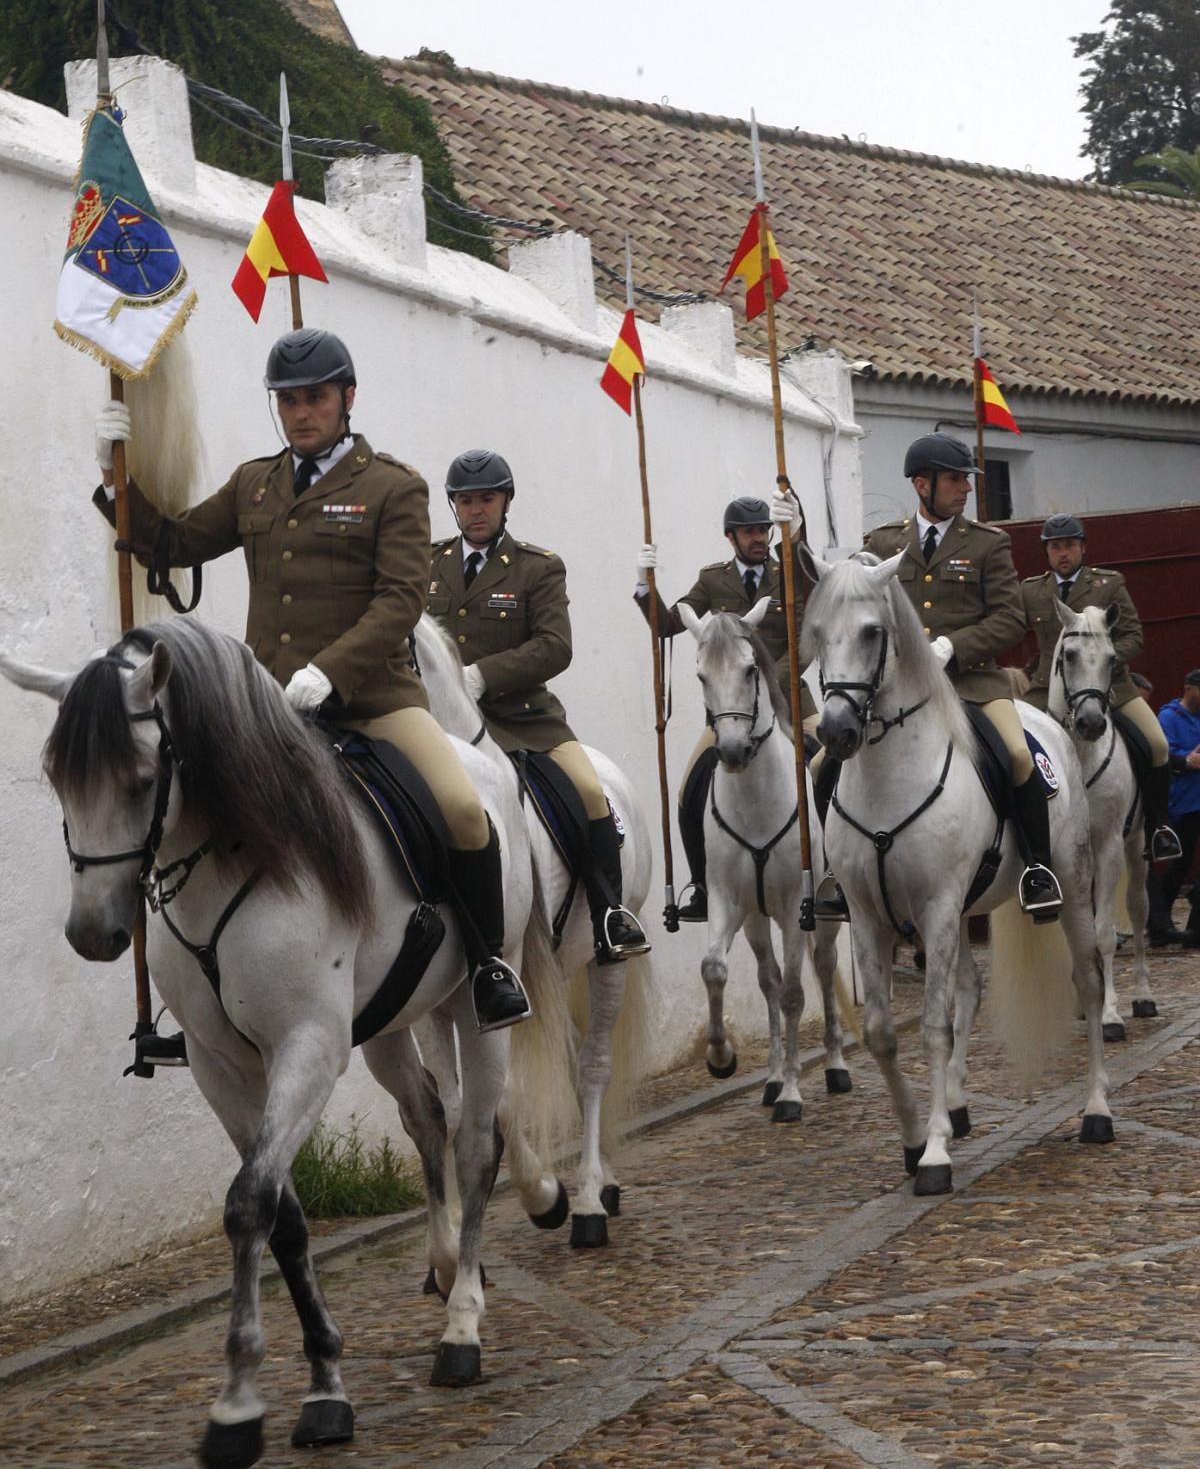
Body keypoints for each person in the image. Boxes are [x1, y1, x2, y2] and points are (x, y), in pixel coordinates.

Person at [93, 328, 531, 1032]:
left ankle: (487, 965)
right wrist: (116, 483)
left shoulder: (394, 486)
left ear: (346, 399)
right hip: (269, 708)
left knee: (461, 807)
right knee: (178, 808)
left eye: (316, 398)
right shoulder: (253, 484)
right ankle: (204, 993)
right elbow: (173, 544)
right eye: (288, 400)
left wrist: (331, 672)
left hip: (377, 701)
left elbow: (400, 602)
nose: (301, 413)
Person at [428, 449, 648, 963]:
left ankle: (609, 916)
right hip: (444, 722)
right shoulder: (426, 563)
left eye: (486, 499)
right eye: (465, 501)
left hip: (525, 722)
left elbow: (555, 645)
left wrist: (484, 675)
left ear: (506, 502)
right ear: (453, 506)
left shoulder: (537, 567)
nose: (475, 510)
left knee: (592, 794)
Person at [863, 433, 1061, 916]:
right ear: (920, 484)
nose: (965, 489)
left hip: (973, 685)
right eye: (955, 479)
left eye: (966, 480)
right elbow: (852, 599)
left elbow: (1011, 618)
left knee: (1019, 757)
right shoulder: (884, 542)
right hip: (902, 691)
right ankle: (836, 874)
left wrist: (954, 647)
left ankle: (1038, 868)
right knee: (831, 760)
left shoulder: (989, 544)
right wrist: (797, 532)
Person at [634, 491, 816, 922]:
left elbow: (805, 642)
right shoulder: (712, 580)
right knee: (690, 790)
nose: (759, 538)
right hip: (732, 713)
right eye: (750, 532)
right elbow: (668, 625)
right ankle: (701, 883)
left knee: (829, 769)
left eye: (764, 531)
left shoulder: (788, 574)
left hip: (790, 703)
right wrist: (645, 586)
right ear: (731, 537)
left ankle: (833, 877)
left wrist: (798, 536)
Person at [1021, 512, 1182, 866]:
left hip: (1111, 685)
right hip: (1049, 686)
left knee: (1156, 743)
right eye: (1055, 547)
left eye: (1069, 546)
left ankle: (1158, 827)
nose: (1063, 553)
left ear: (1082, 548)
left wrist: (1105, 659)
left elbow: (1134, 636)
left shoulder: (1108, 585)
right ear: (1047, 552)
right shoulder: (1031, 591)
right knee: (1015, 752)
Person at [1148, 670, 1200, 947]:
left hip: (1196, 800)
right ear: (1188, 688)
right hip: (1181, 803)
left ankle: (1187, 929)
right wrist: (1189, 760)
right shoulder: (1168, 718)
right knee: (1177, 868)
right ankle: (1161, 922)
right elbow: (1163, 755)